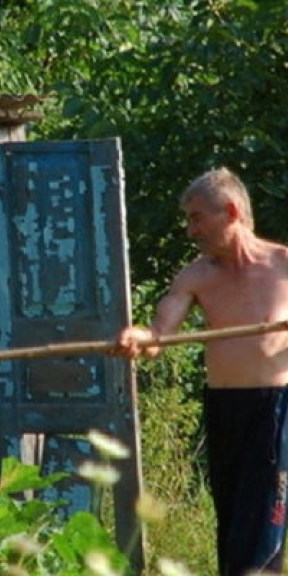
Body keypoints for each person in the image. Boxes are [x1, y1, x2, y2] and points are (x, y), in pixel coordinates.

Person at [112, 167, 288, 576]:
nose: (191, 230)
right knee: (232, 523)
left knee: (261, 529)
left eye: (196, 217)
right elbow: (158, 336)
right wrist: (136, 337)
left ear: (229, 211)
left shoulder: (283, 266)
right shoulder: (196, 276)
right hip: (225, 410)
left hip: (276, 411)